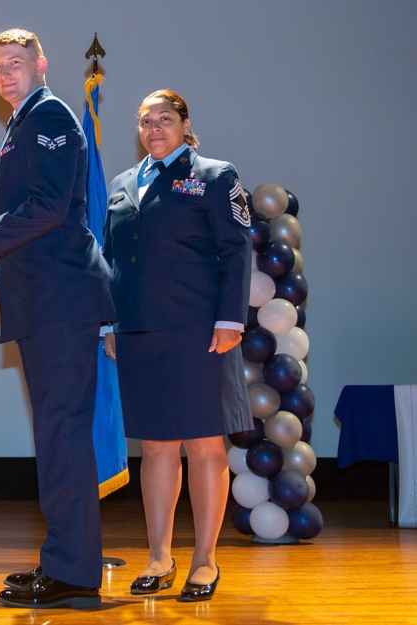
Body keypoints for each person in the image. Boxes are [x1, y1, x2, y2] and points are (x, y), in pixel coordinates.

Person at [0, 28, 116, 609]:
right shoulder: (20, 124)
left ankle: (72, 571)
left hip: (62, 300)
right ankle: (64, 559)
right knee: (55, 434)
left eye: (15, 62)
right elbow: (35, 220)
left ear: (41, 64)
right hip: (41, 296)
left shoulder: (51, 116)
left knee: (62, 434)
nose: (5, 73)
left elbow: (46, 209)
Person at [102, 90, 253, 602]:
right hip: (137, 332)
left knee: (205, 445)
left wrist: (230, 320)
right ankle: (159, 556)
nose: (154, 128)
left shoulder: (215, 176)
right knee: (156, 447)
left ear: (185, 124)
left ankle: (205, 561)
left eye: (164, 119)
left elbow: (236, 249)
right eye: (145, 121)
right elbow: (110, 258)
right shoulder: (123, 184)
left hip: (199, 331)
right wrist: (108, 324)